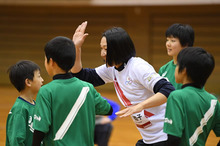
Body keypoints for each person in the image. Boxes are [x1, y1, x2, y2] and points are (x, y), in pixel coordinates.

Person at [71, 21, 175, 145]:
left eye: (106, 49)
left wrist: (139, 106)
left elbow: (168, 90)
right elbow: (81, 76)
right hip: (149, 139)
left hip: (165, 136)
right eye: (101, 48)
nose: (102, 53)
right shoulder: (112, 68)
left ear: (118, 49)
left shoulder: (137, 66)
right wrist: (76, 48)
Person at [32, 36, 113, 146]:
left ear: (51, 61)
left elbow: (40, 129)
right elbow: (108, 109)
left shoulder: (46, 91)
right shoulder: (88, 88)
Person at [163, 47, 220, 146]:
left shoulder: (177, 96)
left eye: (177, 65)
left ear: (184, 70)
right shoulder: (213, 101)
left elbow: (173, 139)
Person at [6, 60, 44, 146]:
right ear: (28, 82)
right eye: (39, 76)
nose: (42, 80)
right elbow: (16, 141)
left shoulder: (35, 105)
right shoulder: (19, 109)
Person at [158, 23, 195, 89]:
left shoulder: (193, 67)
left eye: (173, 41)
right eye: (167, 40)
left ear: (186, 44)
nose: (168, 44)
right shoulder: (163, 69)